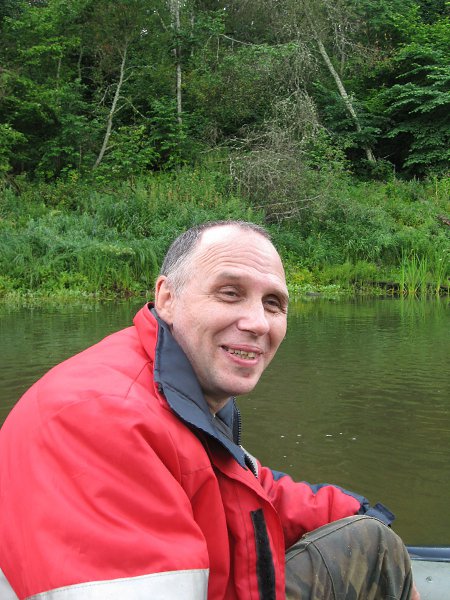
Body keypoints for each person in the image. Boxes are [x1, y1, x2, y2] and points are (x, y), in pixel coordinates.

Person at [0, 220, 419, 599]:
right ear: (167, 297)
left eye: (273, 303)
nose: (258, 322)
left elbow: (250, 488)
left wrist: (358, 511)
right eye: (230, 293)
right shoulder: (105, 420)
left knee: (370, 541)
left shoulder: (178, 390)